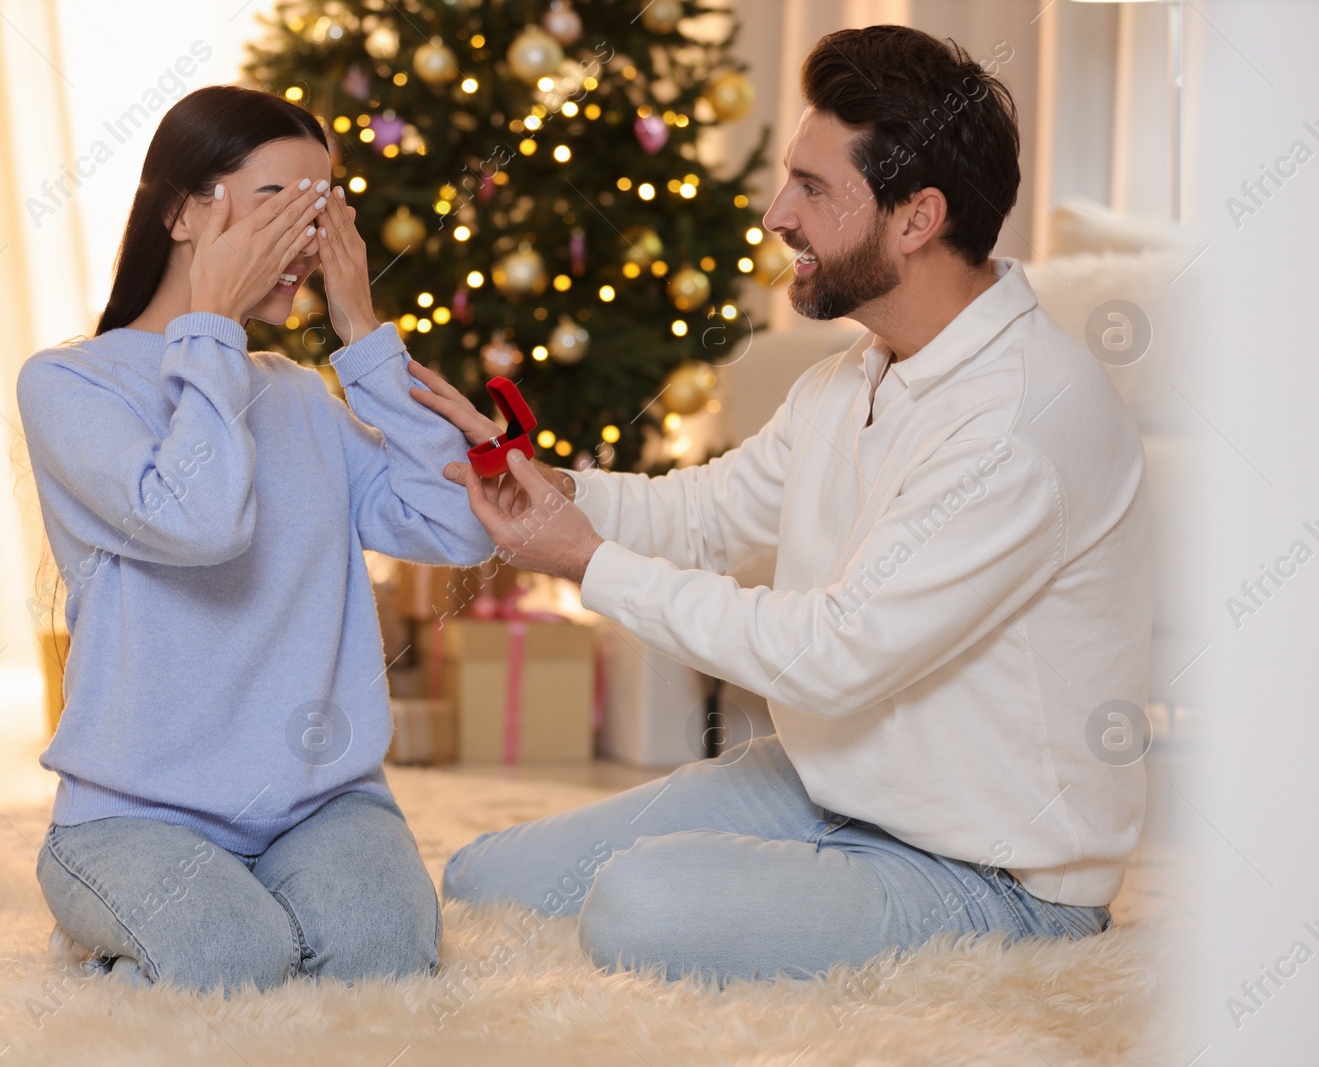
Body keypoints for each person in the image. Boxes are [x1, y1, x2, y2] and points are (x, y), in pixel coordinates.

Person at [425, 24, 1151, 984]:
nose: (776, 213)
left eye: (812, 188)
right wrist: (553, 489)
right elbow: (707, 517)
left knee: (638, 905)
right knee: (490, 878)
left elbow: (835, 656)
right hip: (828, 786)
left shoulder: (1019, 422)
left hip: (992, 873)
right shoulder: (855, 377)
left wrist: (585, 562)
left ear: (916, 217)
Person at [17, 85, 504, 994]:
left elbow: (452, 524)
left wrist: (363, 333)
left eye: (325, 209)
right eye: (280, 202)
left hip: (319, 805)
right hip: (133, 816)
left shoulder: (297, 393)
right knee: (231, 960)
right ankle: (160, 924)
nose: (307, 238)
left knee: (385, 950)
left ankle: (232, 909)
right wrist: (209, 325)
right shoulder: (68, 386)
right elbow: (199, 521)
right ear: (180, 210)